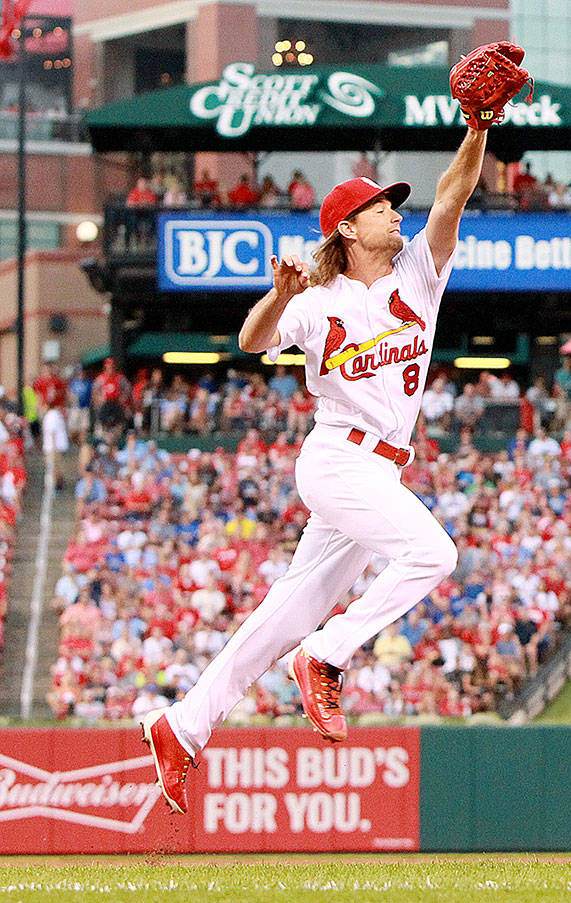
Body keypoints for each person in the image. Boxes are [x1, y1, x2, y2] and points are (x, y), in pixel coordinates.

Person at [140, 110, 490, 816]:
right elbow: (251, 338)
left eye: (394, 205)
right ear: (348, 229)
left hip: (378, 472)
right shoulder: (318, 301)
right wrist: (280, 294)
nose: (396, 214)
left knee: (286, 610)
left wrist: (479, 126)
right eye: (380, 207)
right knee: (433, 554)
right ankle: (327, 654)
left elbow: (452, 192)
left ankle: (181, 726)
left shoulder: (420, 274)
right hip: (337, 460)